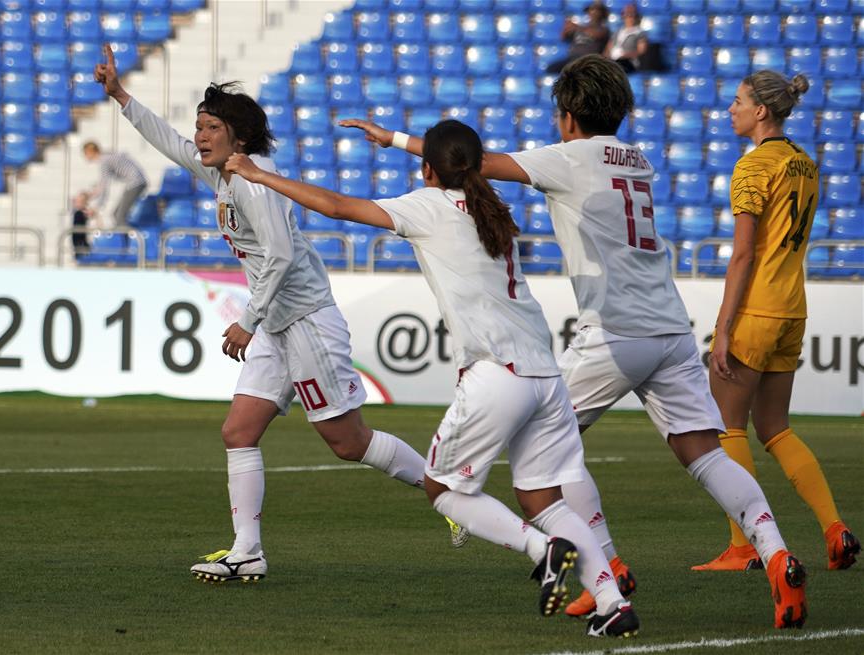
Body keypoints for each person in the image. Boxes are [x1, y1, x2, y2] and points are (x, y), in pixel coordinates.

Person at [344, 55, 809, 630]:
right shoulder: (636, 159)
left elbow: (469, 164)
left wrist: (391, 138)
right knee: (704, 452)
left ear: (568, 117)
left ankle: (606, 568)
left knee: (543, 454)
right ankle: (777, 553)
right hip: (669, 327)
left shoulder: (570, 157)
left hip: (613, 333)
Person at [225, 119, 640, 638]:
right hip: (545, 375)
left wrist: (260, 177)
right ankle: (610, 599)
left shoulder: (428, 207)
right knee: (544, 501)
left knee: (442, 489)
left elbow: (336, 206)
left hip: (496, 373)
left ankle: (541, 549)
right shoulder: (495, 211)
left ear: (427, 169)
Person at [92, 44, 467, 583]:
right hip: (275, 322)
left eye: (211, 126)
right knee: (238, 431)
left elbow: (282, 255)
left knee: (347, 442)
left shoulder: (252, 179)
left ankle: (449, 493)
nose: (199, 135)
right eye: (199, 125)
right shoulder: (224, 174)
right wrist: (122, 97)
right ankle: (248, 550)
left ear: (238, 137)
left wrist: (248, 318)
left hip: (305, 320)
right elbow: (169, 143)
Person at [694, 70, 860, 573]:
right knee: (775, 427)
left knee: (726, 428)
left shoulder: (752, 167)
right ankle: (836, 528)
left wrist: (722, 329)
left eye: (739, 100)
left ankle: (744, 546)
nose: (731, 108)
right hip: (792, 308)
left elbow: (742, 256)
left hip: (758, 309)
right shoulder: (805, 164)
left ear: (761, 110)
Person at [82, 140, 148, 228]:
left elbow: (104, 186)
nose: (85, 157)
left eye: (85, 153)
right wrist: (92, 195)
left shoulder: (104, 161)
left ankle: (129, 239)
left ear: (90, 152)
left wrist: (97, 207)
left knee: (119, 216)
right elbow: (101, 185)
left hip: (135, 183)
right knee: (116, 214)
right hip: (136, 182)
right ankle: (128, 236)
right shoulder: (106, 157)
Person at [545, 1, 611, 74]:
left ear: (602, 13)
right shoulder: (582, 27)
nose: (592, 12)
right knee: (551, 68)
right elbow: (563, 38)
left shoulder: (603, 29)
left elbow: (596, 34)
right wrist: (566, 28)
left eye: (596, 10)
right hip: (572, 58)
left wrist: (577, 27)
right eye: (591, 10)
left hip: (589, 60)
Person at [604, 4, 647, 74]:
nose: (629, 17)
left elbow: (641, 51)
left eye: (632, 14)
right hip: (613, 61)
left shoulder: (639, 32)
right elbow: (608, 48)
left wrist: (625, 55)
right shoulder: (617, 31)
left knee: (618, 67)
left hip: (629, 61)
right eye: (627, 14)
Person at [71, 191, 94, 257]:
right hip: (77, 237)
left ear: (85, 203)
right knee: (78, 250)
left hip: (81, 238)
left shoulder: (83, 212)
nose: (77, 203)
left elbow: (90, 215)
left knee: (82, 249)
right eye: (77, 201)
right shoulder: (77, 211)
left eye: (80, 202)